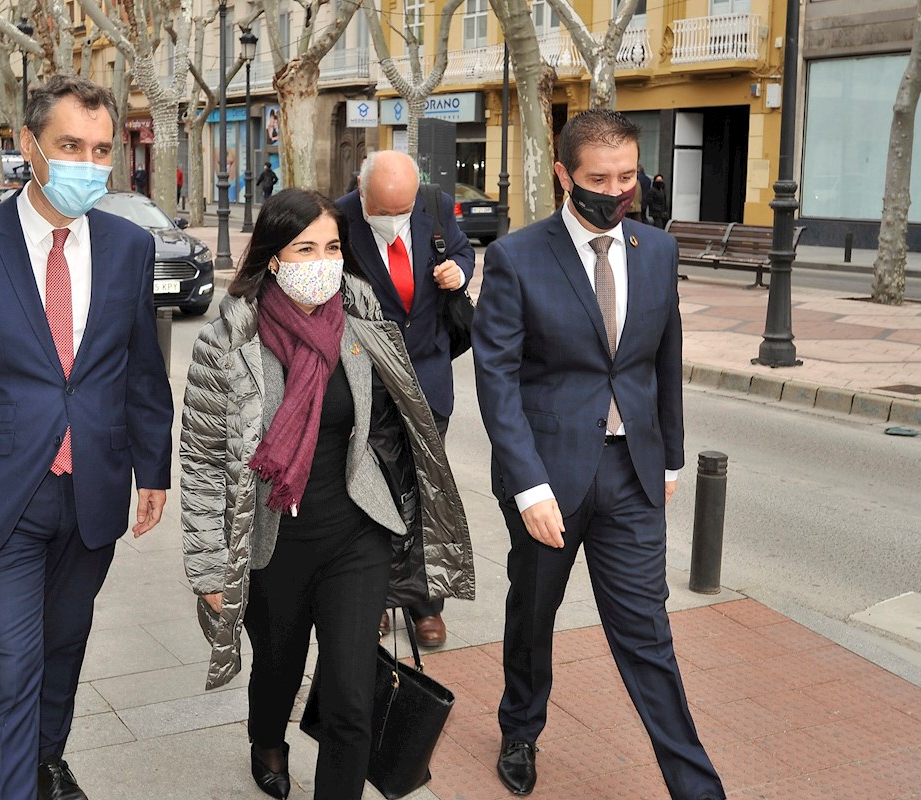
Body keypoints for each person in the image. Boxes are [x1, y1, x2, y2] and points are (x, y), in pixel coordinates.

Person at [0, 75, 175, 800]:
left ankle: (48, 759)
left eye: (102, 149)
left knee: (62, 650)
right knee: (12, 670)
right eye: (70, 145)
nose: (88, 161)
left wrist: (155, 469)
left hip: (93, 496)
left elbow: (143, 370)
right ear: (28, 146)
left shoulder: (128, 247)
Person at [180, 188, 474, 800]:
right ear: (274, 257)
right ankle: (268, 739)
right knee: (278, 668)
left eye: (333, 247)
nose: (323, 260)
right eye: (305, 247)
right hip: (270, 539)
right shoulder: (227, 341)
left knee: (351, 696)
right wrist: (208, 567)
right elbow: (204, 461)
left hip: (356, 534)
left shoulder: (364, 323)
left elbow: (406, 423)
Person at [473, 109, 725, 799]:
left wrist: (671, 458)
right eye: (598, 179)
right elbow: (496, 380)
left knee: (647, 634)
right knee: (534, 612)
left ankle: (697, 787)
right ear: (564, 175)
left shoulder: (656, 249)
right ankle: (521, 729)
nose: (615, 192)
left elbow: (664, 359)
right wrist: (527, 487)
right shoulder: (517, 257)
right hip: (548, 477)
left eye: (626, 178)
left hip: (633, 473)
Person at [336, 150, 475, 648]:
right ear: (362, 190)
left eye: (404, 210)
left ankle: (424, 605)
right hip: (368, 385)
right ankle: (373, 597)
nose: (394, 222)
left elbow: (462, 251)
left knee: (425, 493)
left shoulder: (434, 206)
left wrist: (459, 272)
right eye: (384, 211)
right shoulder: (338, 219)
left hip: (429, 379)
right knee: (371, 496)